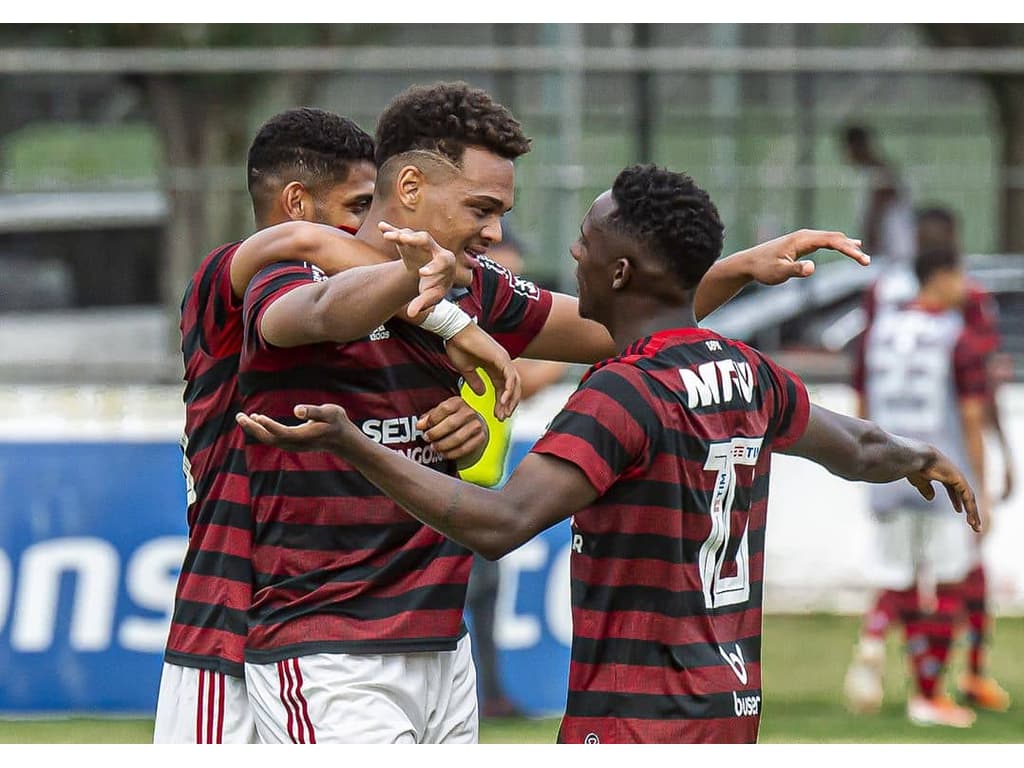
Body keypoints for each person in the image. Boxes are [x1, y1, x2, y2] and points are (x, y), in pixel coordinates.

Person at [236, 164, 979, 744]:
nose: (574, 252)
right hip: (731, 709)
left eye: (587, 242)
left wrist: (350, 443)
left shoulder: (625, 392)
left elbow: (500, 524)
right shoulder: (748, 373)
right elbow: (859, 445)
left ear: (620, 274)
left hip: (632, 716)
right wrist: (921, 456)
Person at [156, 105, 514, 744]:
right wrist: (452, 316)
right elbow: (307, 256)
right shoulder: (238, 278)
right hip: (231, 625)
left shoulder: (389, 298)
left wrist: (466, 420)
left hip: (331, 619)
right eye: (357, 204)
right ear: (297, 201)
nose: (368, 224)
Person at [843, 206, 1011, 719]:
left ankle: (876, 639)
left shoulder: (880, 320)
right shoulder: (959, 327)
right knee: (952, 578)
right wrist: (984, 478)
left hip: (889, 463)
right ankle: (937, 691)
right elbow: (975, 405)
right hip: (941, 469)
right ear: (945, 269)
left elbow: (862, 395)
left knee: (898, 576)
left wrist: (868, 458)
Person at [459, 230, 568, 720]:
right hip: (450, 488)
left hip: (478, 488)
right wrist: (574, 347)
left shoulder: (486, 332)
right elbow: (526, 376)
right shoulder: (466, 332)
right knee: (472, 596)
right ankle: (486, 695)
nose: (511, 288)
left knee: (483, 596)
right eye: (503, 275)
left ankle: (489, 693)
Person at [841, 124, 916, 265]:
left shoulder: (880, 173)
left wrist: (869, 251)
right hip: (891, 252)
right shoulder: (872, 173)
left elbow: (875, 217)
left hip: (892, 253)